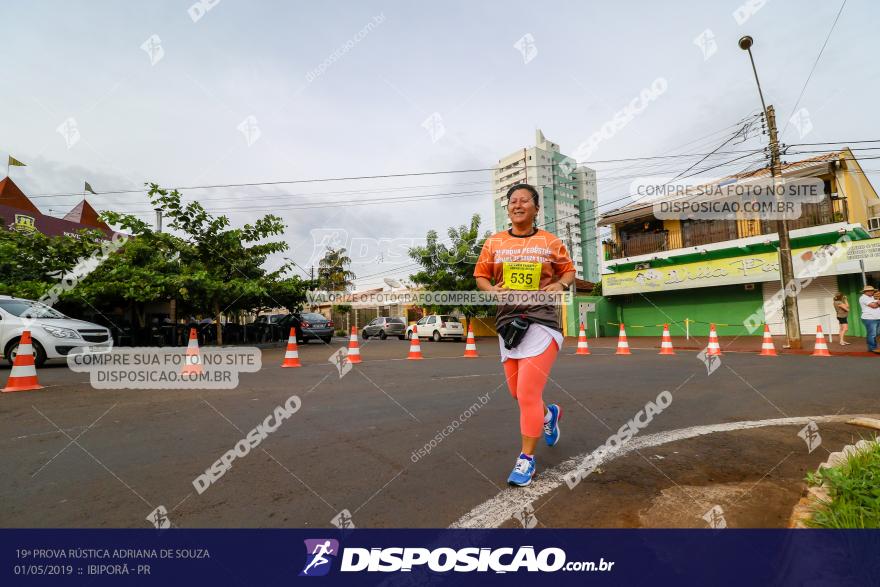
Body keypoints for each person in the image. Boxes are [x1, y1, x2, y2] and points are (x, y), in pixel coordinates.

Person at [474, 183, 576, 486]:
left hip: (543, 321)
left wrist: (561, 284)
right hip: (509, 323)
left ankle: (526, 460)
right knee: (516, 392)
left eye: (524, 200)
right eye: (512, 201)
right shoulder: (494, 243)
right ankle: (549, 416)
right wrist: (492, 290)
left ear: (535, 208)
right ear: (507, 208)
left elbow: (568, 271)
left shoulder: (550, 242)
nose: (517, 205)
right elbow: (481, 275)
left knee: (528, 394)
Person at [858, 285, 880, 354]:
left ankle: (874, 347)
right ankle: (872, 348)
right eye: (869, 290)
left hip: (877, 318)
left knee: (878, 333)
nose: (871, 291)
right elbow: (874, 306)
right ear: (865, 292)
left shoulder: (873, 297)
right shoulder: (863, 298)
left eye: (872, 290)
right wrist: (877, 302)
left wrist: (877, 302)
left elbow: (876, 304)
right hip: (869, 318)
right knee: (872, 334)